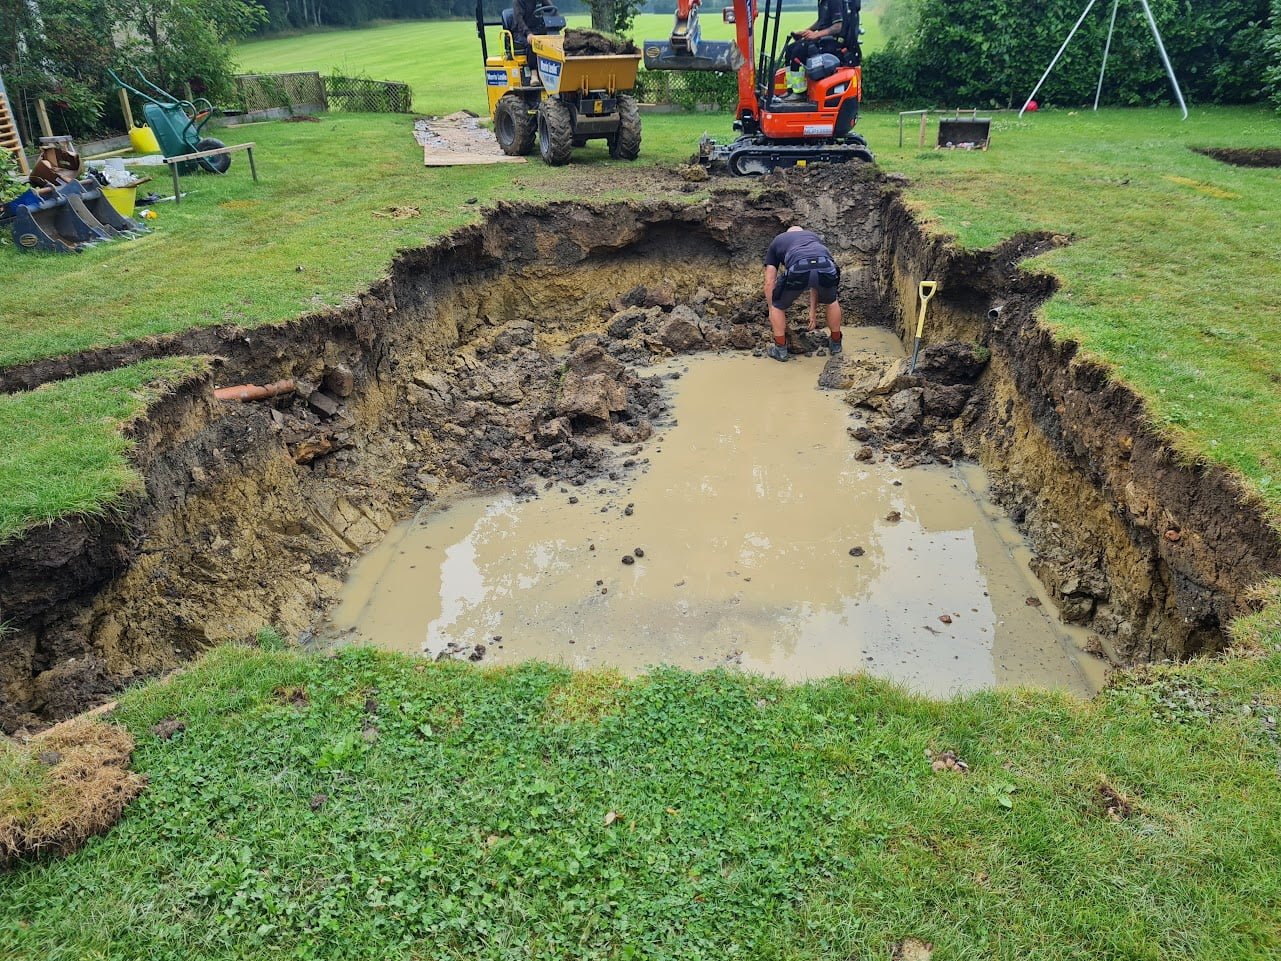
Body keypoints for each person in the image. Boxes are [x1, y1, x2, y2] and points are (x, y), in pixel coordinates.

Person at [763, 226, 842, 362]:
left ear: (787, 234)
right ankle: (835, 344)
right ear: (802, 232)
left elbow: (770, 281)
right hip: (826, 266)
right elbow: (814, 283)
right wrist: (813, 313)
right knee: (831, 301)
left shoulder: (778, 241)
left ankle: (780, 349)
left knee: (777, 307)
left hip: (799, 267)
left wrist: (772, 308)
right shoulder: (813, 236)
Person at [781, 0, 845, 101]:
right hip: (822, 39)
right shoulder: (822, 2)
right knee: (790, 49)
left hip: (832, 43)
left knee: (798, 51)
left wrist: (816, 34)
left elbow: (838, 27)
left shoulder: (834, 1)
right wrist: (806, 32)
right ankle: (791, 90)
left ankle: (799, 93)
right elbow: (821, 21)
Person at [511, 0, 543, 85]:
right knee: (532, 43)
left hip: (537, 30)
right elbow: (519, 19)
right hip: (521, 31)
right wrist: (528, 33)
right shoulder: (518, 1)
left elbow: (551, 9)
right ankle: (534, 74)